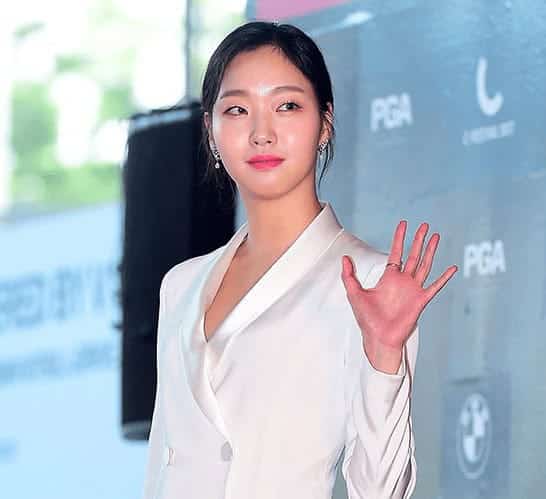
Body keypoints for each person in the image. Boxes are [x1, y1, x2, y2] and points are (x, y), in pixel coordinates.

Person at [142, 21, 457, 499]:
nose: (262, 133)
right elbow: (159, 470)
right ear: (211, 130)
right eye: (237, 109)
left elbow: (380, 491)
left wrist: (384, 356)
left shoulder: (368, 281)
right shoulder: (181, 285)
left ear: (324, 123)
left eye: (287, 106)